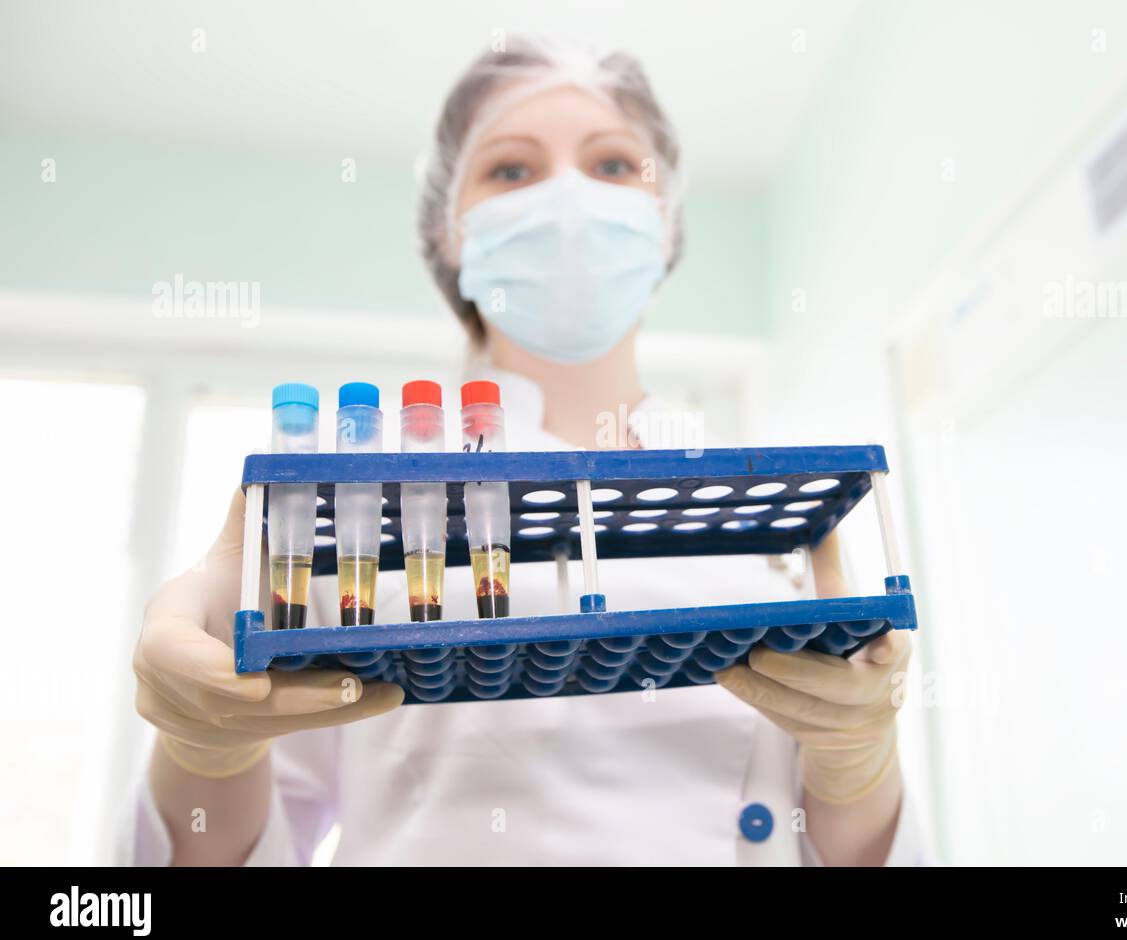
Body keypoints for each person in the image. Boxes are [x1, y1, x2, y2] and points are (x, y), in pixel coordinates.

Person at [124, 36, 924, 866]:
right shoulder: (367, 510)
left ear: (665, 221)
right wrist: (205, 747)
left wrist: (854, 761)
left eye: (614, 165)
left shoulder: (775, 528)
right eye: (511, 170)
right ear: (451, 231)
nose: (569, 199)